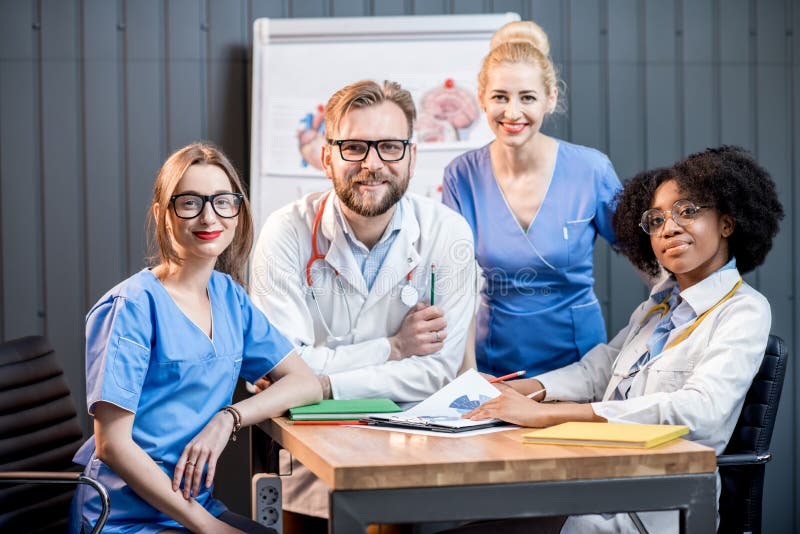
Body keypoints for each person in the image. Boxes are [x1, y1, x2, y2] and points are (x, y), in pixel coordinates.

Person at [459, 146, 783, 533]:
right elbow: (599, 370)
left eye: (688, 211)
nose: (669, 227)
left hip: (655, 508)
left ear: (728, 223)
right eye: (657, 219)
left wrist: (550, 415)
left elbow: (701, 414)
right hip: (599, 485)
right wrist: (521, 390)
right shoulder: (658, 305)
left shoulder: (744, 311)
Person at [249, 80, 477, 528]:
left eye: (390, 146)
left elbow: (438, 372)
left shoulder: (448, 235)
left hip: (410, 455)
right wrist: (393, 348)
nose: (372, 164)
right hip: (306, 456)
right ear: (326, 156)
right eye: (354, 146)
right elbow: (282, 367)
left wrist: (318, 384)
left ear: (411, 156)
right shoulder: (285, 233)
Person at [69, 143, 322, 534]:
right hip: (123, 519)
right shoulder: (131, 307)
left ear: (238, 212)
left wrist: (228, 418)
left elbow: (305, 383)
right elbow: (113, 445)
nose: (209, 216)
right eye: (189, 203)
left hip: (192, 509)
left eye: (223, 201)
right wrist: (207, 527)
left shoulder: (230, 297)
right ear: (162, 215)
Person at [442, 20, 622, 377]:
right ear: (481, 99)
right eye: (499, 97)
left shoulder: (591, 170)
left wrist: (661, 335)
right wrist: (467, 375)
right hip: (495, 364)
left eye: (527, 97)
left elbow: (649, 258)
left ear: (550, 99)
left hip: (579, 366)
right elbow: (453, 287)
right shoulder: (461, 175)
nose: (512, 113)